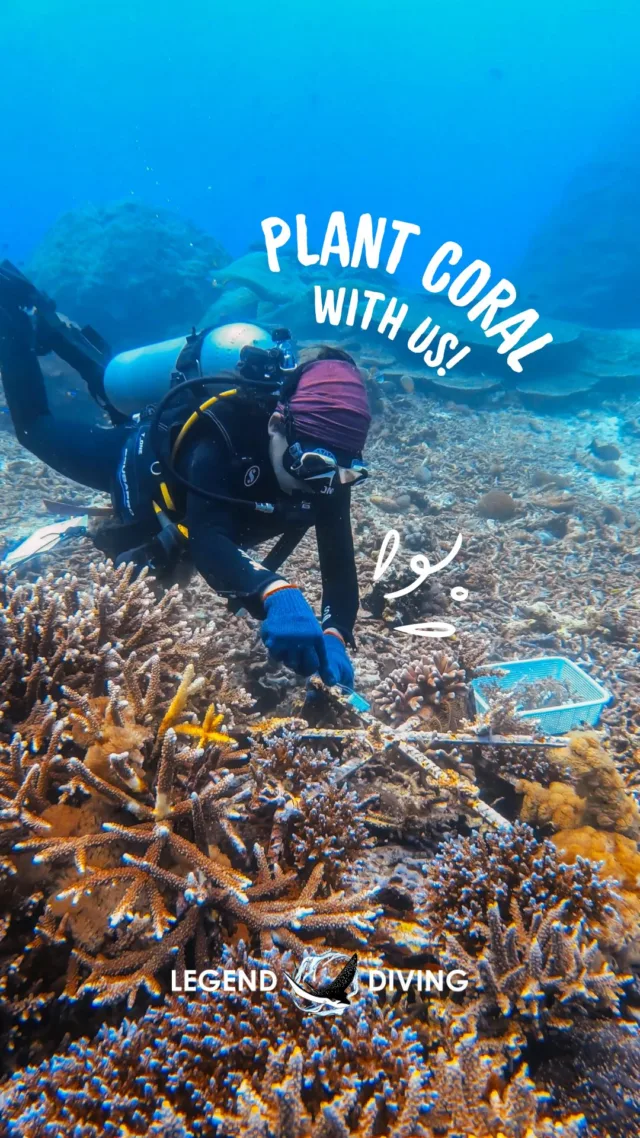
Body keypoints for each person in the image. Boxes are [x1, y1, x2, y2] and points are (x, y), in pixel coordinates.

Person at [0, 262, 372, 689]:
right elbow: (208, 539)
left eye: (342, 472)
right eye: (311, 465)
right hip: (133, 463)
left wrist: (335, 633)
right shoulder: (224, 431)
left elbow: (339, 566)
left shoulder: (329, 470)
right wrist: (274, 590)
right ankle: (14, 313)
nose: (320, 484)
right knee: (36, 430)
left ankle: (60, 336)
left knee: (109, 391)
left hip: (187, 499)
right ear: (275, 425)